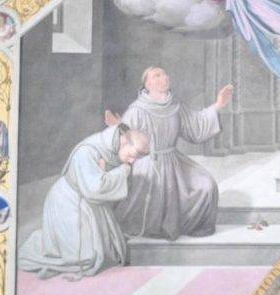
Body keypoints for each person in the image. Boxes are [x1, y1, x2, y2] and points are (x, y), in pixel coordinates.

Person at [105, 67, 231, 240]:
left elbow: (196, 125)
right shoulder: (137, 110)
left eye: (164, 74)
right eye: (157, 75)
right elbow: (124, 140)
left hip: (173, 161)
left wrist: (218, 104)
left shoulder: (175, 105)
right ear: (147, 84)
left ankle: (192, 226)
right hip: (147, 163)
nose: (163, 77)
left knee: (206, 185)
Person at [18, 124, 150, 280]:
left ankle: (56, 241)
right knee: (84, 258)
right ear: (124, 142)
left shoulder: (114, 148)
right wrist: (122, 171)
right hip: (68, 201)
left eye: (136, 158)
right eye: (131, 155)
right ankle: (42, 244)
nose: (132, 161)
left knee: (112, 252)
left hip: (90, 201)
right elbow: (95, 188)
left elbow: (105, 183)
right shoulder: (87, 151)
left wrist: (114, 172)